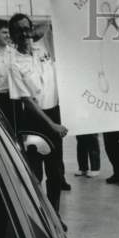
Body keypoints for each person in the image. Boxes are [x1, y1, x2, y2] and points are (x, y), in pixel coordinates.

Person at [8, 13, 69, 211]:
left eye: (27, 28)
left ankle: (55, 214)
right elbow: (27, 100)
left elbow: (53, 23)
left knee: (56, 171)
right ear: (12, 34)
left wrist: (33, 33)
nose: (24, 34)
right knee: (36, 173)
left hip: (54, 114)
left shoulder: (44, 48)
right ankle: (40, 214)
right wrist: (51, 125)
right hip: (35, 120)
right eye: (19, 30)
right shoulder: (14, 63)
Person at [32, 21, 71, 193]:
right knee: (38, 154)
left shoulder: (60, 49)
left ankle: (59, 178)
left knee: (56, 152)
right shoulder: (36, 51)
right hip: (39, 110)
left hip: (55, 107)